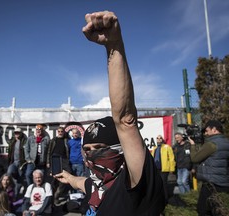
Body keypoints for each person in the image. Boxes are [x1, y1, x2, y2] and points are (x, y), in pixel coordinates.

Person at [54, 11, 165, 215]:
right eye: (87, 149)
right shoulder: (97, 187)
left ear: (120, 147)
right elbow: (82, 182)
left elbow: (125, 121)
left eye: (100, 147)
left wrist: (113, 46)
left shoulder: (135, 185)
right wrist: (69, 178)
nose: (92, 155)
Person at [189, 120, 229, 216]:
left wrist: (193, 145)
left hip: (211, 184)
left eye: (207, 130)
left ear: (214, 129)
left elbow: (195, 158)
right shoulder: (226, 142)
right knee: (219, 209)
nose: (205, 133)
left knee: (203, 210)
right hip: (223, 182)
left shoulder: (211, 144)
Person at [46, 126, 71, 205]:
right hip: (54, 160)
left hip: (64, 160)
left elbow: (68, 151)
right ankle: (51, 198)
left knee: (66, 178)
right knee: (53, 179)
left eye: (62, 131)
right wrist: (48, 162)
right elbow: (49, 151)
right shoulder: (53, 140)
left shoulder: (66, 140)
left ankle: (57, 194)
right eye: (59, 131)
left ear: (64, 132)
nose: (60, 133)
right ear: (57, 132)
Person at [151, 135, 176, 202]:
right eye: (157, 138)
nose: (159, 139)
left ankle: (165, 198)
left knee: (163, 184)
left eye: (160, 138)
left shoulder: (167, 147)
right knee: (157, 184)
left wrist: (172, 168)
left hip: (164, 169)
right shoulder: (154, 148)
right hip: (156, 169)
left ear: (162, 139)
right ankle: (159, 197)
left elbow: (171, 158)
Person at [7, 128, 27, 194]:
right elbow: (10, 152)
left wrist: (25, 162)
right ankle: (10, 191)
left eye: (18, 133)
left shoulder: (24, 140)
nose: (17, 134)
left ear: (21, 133)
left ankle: (17, 194)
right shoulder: (12, 141)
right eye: (15, 133)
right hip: (13, 162)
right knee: (9, 172)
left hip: (21, 163)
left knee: (20, 179)